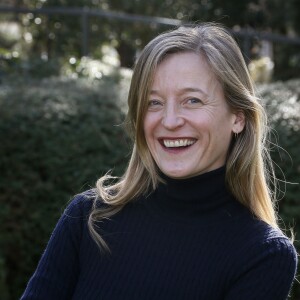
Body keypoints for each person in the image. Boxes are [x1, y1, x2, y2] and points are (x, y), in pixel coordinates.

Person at [21, 23, 297, 300]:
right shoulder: (88, 218)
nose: (170, 121)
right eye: (154, 103)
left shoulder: (263, 256)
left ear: (238, 116)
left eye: (192, 100)